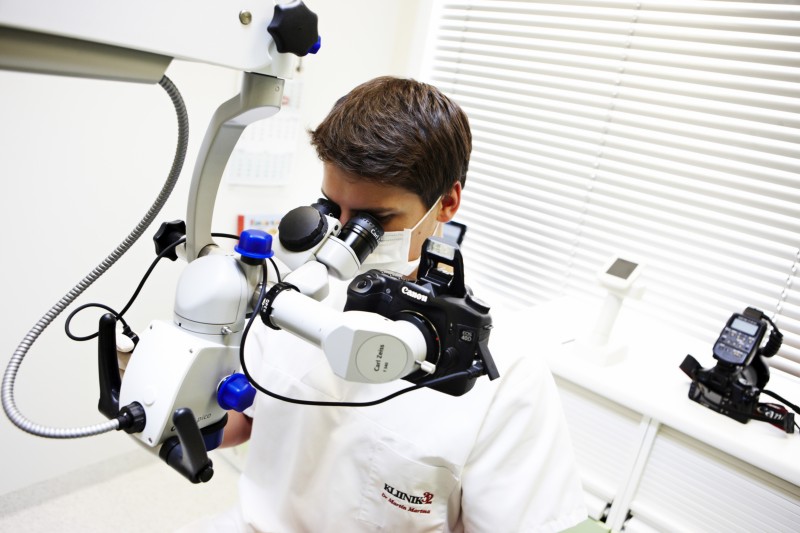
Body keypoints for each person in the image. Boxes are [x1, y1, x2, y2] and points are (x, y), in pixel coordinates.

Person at [183, 76, 587, 532]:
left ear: (446, 203)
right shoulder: (294, 297)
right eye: (332, 210)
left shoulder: (507, 376)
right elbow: (242, 420)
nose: (343, 241)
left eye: (374, 221)